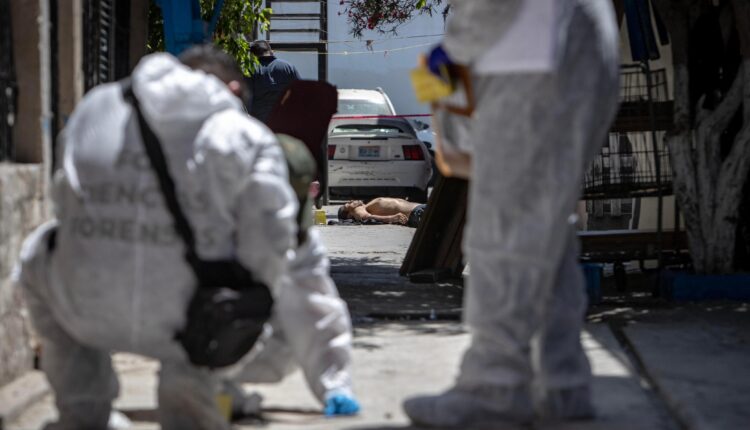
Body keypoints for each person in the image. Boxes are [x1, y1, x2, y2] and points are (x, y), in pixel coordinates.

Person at [14, 45, 355, 430]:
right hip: (197, 324)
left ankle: (83, 411)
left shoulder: (97, 107)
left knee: (38, 249)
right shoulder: (244, 136)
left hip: (86, 311)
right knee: (270, 278)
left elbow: (65, 200)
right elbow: (273, 246)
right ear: (231, 91)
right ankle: (192, 399)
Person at [403, 0, 620, 428]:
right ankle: (560, 383)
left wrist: (441, 77)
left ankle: (493, 388)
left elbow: (479, 19)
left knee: (502, 234)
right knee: (546, 233)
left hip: (529, 53)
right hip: (583, 44)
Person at [246, 40, 301, 123]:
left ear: (253, 55)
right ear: (271, 51)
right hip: (284, 121)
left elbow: (247, 98)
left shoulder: (251, 70)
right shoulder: (287, 67)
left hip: (260, 123)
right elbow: (300, 92)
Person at [337, 197, 427, 227]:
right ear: (349, 215)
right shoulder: (357, 210)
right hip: (416, 213)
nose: (351, 201)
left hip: (420, 208)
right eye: (348, 204)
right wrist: (391, 218)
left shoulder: (366, 206)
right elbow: (366, 217)